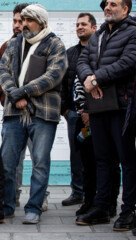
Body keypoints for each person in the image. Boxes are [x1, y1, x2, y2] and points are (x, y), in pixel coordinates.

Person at [0, 4, 67, 224]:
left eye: (30, 20)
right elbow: (3, 71)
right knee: (7, 162)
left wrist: (25, 91)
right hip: (13, 112)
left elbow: (54, 75)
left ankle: (34, 208)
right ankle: (6, 206)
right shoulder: (13, 44)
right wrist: (15, 95)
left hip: (43, 113)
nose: (24, 24)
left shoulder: (55, 44)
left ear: (42, 22)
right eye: (23, 19)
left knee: (40, 163)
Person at [76, 0, 136, 231]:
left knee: (127, 161)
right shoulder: (98, 34)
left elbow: (128, 62)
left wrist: (96, 78)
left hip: (123, 106)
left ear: (126, 9)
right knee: (102, 159)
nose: (107, 7)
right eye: (105, 4)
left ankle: (129, 209)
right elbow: (82, 60)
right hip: (98, 106)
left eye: (113, 3)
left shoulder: (132, 32)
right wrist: (88, 79)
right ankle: (103, 206)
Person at [60, 13, 97, 207]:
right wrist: (65, 109)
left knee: (98, 154)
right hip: (74, 113)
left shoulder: (100, 51)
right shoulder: (70, 53)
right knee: (76, 154)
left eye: (84, 24)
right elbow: (63, 84)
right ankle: (77, 191)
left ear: (94, 28)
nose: (79, 27)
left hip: (98, 113)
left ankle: (96, 193)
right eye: (77, 25)